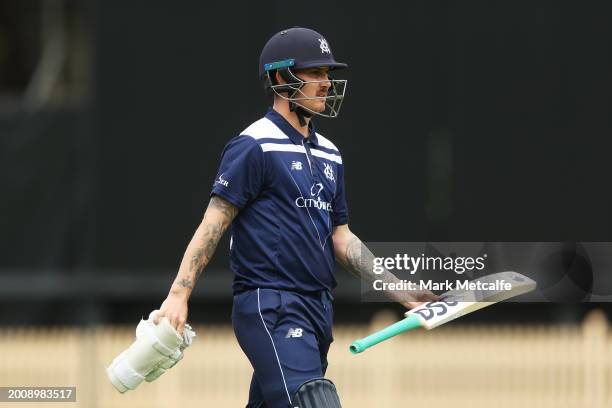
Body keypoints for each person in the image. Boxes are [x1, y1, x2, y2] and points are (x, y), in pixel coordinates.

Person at [155, 27, 437, 408]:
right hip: (271, 305)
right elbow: (214, 221)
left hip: (318, 308)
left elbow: (342, 238)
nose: (325, 83)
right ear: (280, 78)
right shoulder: (253, 145)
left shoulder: (330, 154)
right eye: (315, 73)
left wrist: (402, 292)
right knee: (313, 401)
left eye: (327, 74)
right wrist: (178, 295)